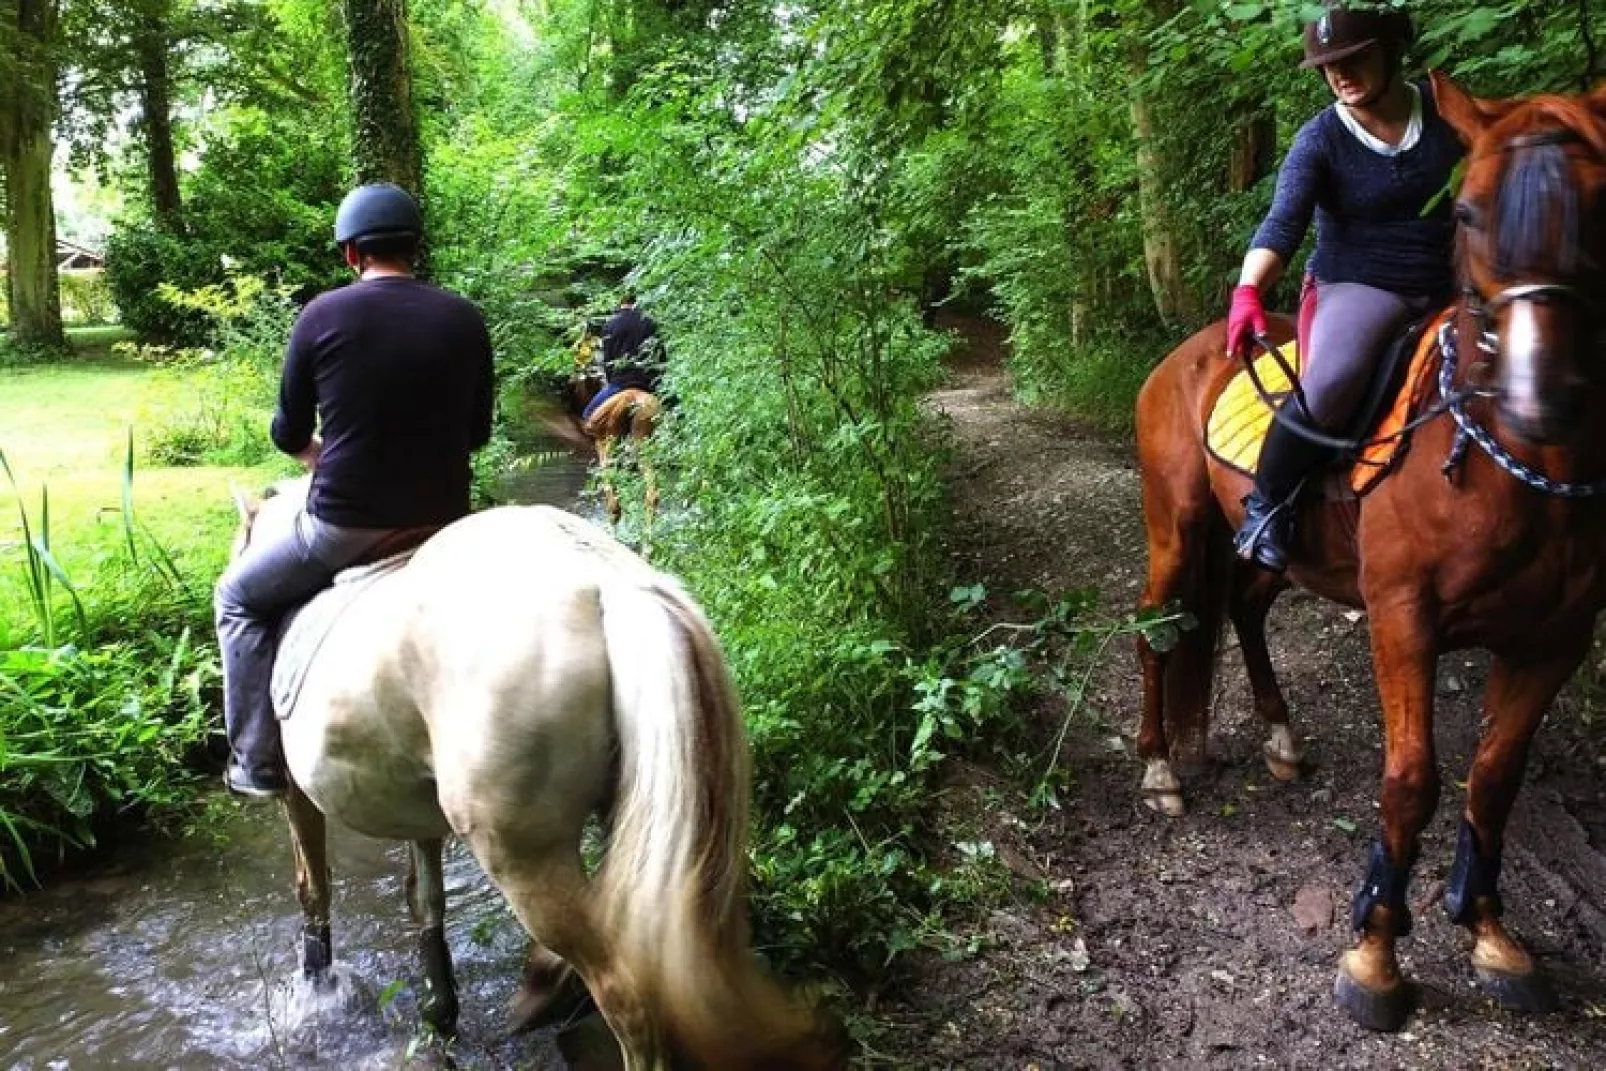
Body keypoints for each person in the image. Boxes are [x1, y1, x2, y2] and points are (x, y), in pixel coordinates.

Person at [214, 183, 495, 797]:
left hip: (345, 526)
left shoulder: (321, 315)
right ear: (415, 248)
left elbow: (289, 431)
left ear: (350, 255)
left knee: (236, 597)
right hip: (446, 524)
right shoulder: (463, 317)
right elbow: (476, 433)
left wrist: (317, 454)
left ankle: (254, 761)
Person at [1227, 3, 1464, 573]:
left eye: (1354, 59)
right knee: (1330, 383)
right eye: (1328, 66)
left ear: (1390, 52)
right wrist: (1248, 291)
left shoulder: (1444, 109)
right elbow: (1282, 224)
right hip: (1363, 283)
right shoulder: (1321, 139)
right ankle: (1268, 506)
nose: (1340, 74)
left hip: (1457, 277)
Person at [581, 291, 662, 422]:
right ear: (636, 302)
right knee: (672, 413)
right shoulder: (650, 323)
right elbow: (660, 356)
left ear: (619, 303)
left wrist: (611, 381)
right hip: (647, 382)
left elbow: (608, 360)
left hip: (620, 382)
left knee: (588, 414)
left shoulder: (610, 325)